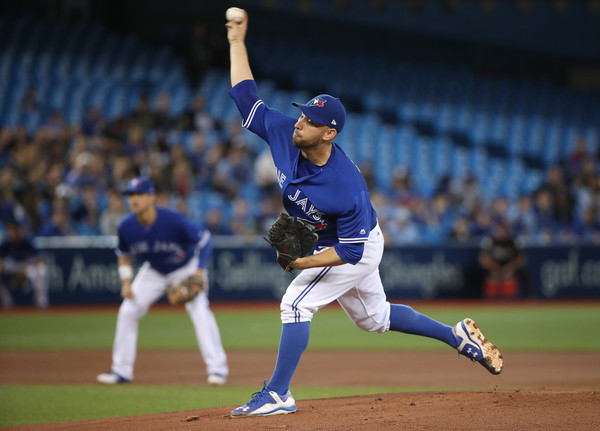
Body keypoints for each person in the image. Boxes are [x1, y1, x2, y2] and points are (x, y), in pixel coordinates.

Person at [225, 10, 503, 418]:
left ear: (329, 133)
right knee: (375, 319)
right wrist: (236, 41)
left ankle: (279, 394)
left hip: (352, 246)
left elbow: (352, 254)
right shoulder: (286, 132)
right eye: (302, 114)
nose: (300, 122)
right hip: (339, 240)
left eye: (310, 121)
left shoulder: (346, 186)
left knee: (296, 304)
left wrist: (304, 261)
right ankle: (456, 336)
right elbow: (246, 97)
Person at [96, 177, 228, 386]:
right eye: (131, 195)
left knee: (199, 309)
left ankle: (217, 369)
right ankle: (121, 370)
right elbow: (123, 254)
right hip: (154, 271)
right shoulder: (127, 227)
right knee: (128, 310)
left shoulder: (172, 220)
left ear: (151, 197)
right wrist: (126, 282)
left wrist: (199, 271)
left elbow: (204, 239)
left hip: (185, 267)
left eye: (139, 194)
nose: (134, 199)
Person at [0, 220, 48, 308]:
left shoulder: (27, 242)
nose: (11, 233)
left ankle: (41, 302)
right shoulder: (5, 244)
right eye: (10, 230)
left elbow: (42, 257)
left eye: (14, 230)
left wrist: (27, 266)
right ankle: (6, 301)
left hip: (26, 267)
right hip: (10, 267)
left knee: (41, 270)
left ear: (19, 231)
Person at [478, 221, 530, 299]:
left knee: (525, 272)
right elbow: (483, 259)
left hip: (510, 268)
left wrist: (510, 268)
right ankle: (478, 299)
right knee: (478, 273)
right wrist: (495, 269)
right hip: (494, 268)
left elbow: (521, 259)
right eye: (499, 230)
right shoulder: (490, 241)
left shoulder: (513, 242)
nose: (501, 232)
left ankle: (527, 298)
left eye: (503, 230)